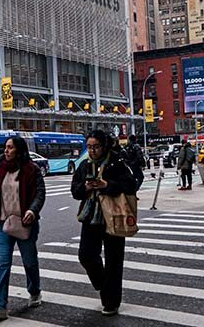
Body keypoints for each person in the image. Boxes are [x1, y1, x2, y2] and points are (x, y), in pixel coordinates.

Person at [71, 129, 137, 317]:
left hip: (114, 217)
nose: (92, 151)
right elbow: (75, 192)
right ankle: (103, 285)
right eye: (89, 147)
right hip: (91, 218)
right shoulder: (84, 166)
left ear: (104, 146)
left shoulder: (117, 163)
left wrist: (106, 185)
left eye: (96, 147)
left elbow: (131, 185)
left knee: (114, 261)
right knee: (86, 255)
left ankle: (111, 302)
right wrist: (86, 187)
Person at [0, 135, 46, 321]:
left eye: (10, 147)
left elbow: (40, 194)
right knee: (2, 264)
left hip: (25, 224)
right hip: (2, 225)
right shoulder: (0, 169)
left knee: (29, 262)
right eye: (5, 147)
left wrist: (33, 211)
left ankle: (35, 291)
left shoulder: (31, 169)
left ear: (19, 149)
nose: (6, 150)